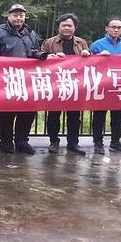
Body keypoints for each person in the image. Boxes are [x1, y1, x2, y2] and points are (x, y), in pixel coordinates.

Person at [0, 4, 41, 155]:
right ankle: (6, 141)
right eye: (15, 15)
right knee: (7, 112)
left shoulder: (31, 34)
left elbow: (35, 51)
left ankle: (22, 141)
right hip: (7, 79)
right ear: (9, 17)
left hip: (28, 79)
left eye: (21, 15)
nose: (18, 18)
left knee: (28, 111)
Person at [41, 13, 91, 156]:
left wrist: (87, 53)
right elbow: (40, 58)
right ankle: (54, 142)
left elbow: (89, 60)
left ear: (74, 28)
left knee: (74, 116)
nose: (67, 28)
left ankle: (73, 143)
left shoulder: (81, 42)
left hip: (76, 84)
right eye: (64, 25)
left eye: (70, 25)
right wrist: (50, 57)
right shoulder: (49, 42)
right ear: (59, 27)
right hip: (55, 84)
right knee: (53, 115)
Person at [90, 17, 121, 155]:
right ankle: (98, 143)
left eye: (119, 27)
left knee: (118, 117)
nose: (116, 30)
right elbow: (88, 64)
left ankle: (115, 142)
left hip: (119, 87)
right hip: (102, 86)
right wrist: (98, 56)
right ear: (106, 28)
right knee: (99, 117)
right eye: (113, 27)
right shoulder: (97, 44)